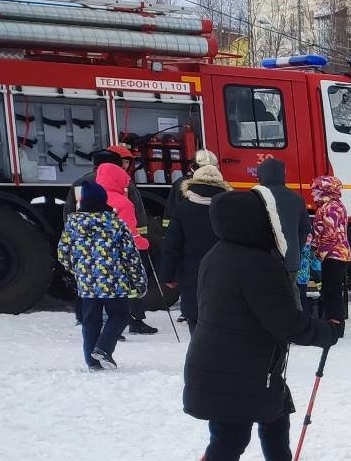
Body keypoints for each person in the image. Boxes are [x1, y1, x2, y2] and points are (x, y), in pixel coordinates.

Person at [180, 186, 341, 461]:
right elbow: (283, 321)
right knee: (229, 437)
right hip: (238, 366)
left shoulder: (218, 254)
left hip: (235, 362)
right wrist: (324, 332)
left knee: (275, 417)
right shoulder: (257, 263)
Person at [60, 180, 146, 369]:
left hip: (87, 284)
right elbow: (130, 256)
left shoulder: (72, 225)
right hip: (114, 283)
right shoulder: (115, 225)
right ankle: (104, 348)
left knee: (90, 320)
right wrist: (139, 282)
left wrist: (78, 271)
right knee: (121, 315)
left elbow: (63, 254)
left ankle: (92, 362)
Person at [157, 151, 228, 330]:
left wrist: (168, 274)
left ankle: (200, 356)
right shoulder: (230, 206)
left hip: (190, 271)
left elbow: (172, 244)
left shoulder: (183, 207)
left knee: (195, 322)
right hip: (222, 273)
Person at [93, 156, 158, 335]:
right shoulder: (123, 202)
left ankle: (103, 326)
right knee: (130, 289)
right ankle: (131, 322)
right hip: (121, 256)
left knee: (102, 291)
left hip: (95, 256)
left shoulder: (89, 199)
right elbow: (130, 233)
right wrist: (143, 243)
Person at [256, 157, 310, 283]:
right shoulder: (297, 198)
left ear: (260, 174)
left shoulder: (256, 196)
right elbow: (305, 229)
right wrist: (295, 248)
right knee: (291, 294)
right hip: (291, 260)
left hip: (263, 259)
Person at [308, 176, 351, 322]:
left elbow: (329, 234)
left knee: (330, 291)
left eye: (315, 190)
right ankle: (333, 322)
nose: (312, 194)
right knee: (331, 290)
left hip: (334, 255)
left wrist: (318, 251)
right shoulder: (335, 205)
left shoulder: (331, 208)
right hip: (337, 254)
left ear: (325, 190)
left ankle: (335, 324)